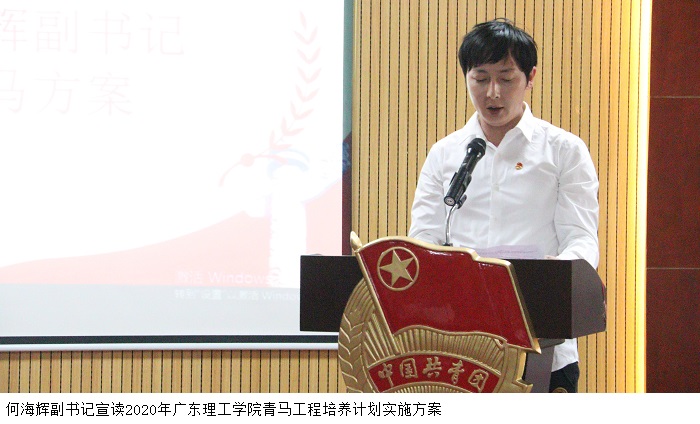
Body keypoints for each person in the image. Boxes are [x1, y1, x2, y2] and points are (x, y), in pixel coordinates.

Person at [408, 18, 599, 393]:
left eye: (506, 79)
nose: (492, 93)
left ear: (531, 78)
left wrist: (552, 275)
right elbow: (424, 238)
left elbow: (581, 239)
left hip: (543, 345)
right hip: (459, 349)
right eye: (480, 79)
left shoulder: (564, 150)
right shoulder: (445, 154)